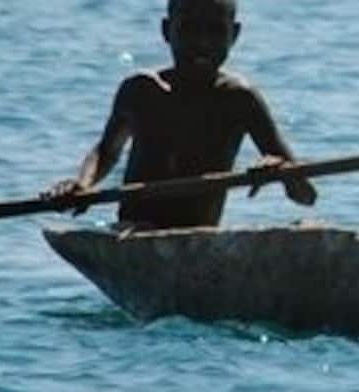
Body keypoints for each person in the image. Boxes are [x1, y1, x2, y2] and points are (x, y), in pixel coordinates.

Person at [43, 0, 316, 230]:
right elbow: (106, 152)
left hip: (196, 240)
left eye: (215, 31)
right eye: (188, 29)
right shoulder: (140, 91)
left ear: (234, 35)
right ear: (166, 30)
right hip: (133, 234)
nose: (202, 43)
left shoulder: (239, 99)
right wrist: (82, 183)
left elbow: (305, 196)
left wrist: (281, 170)